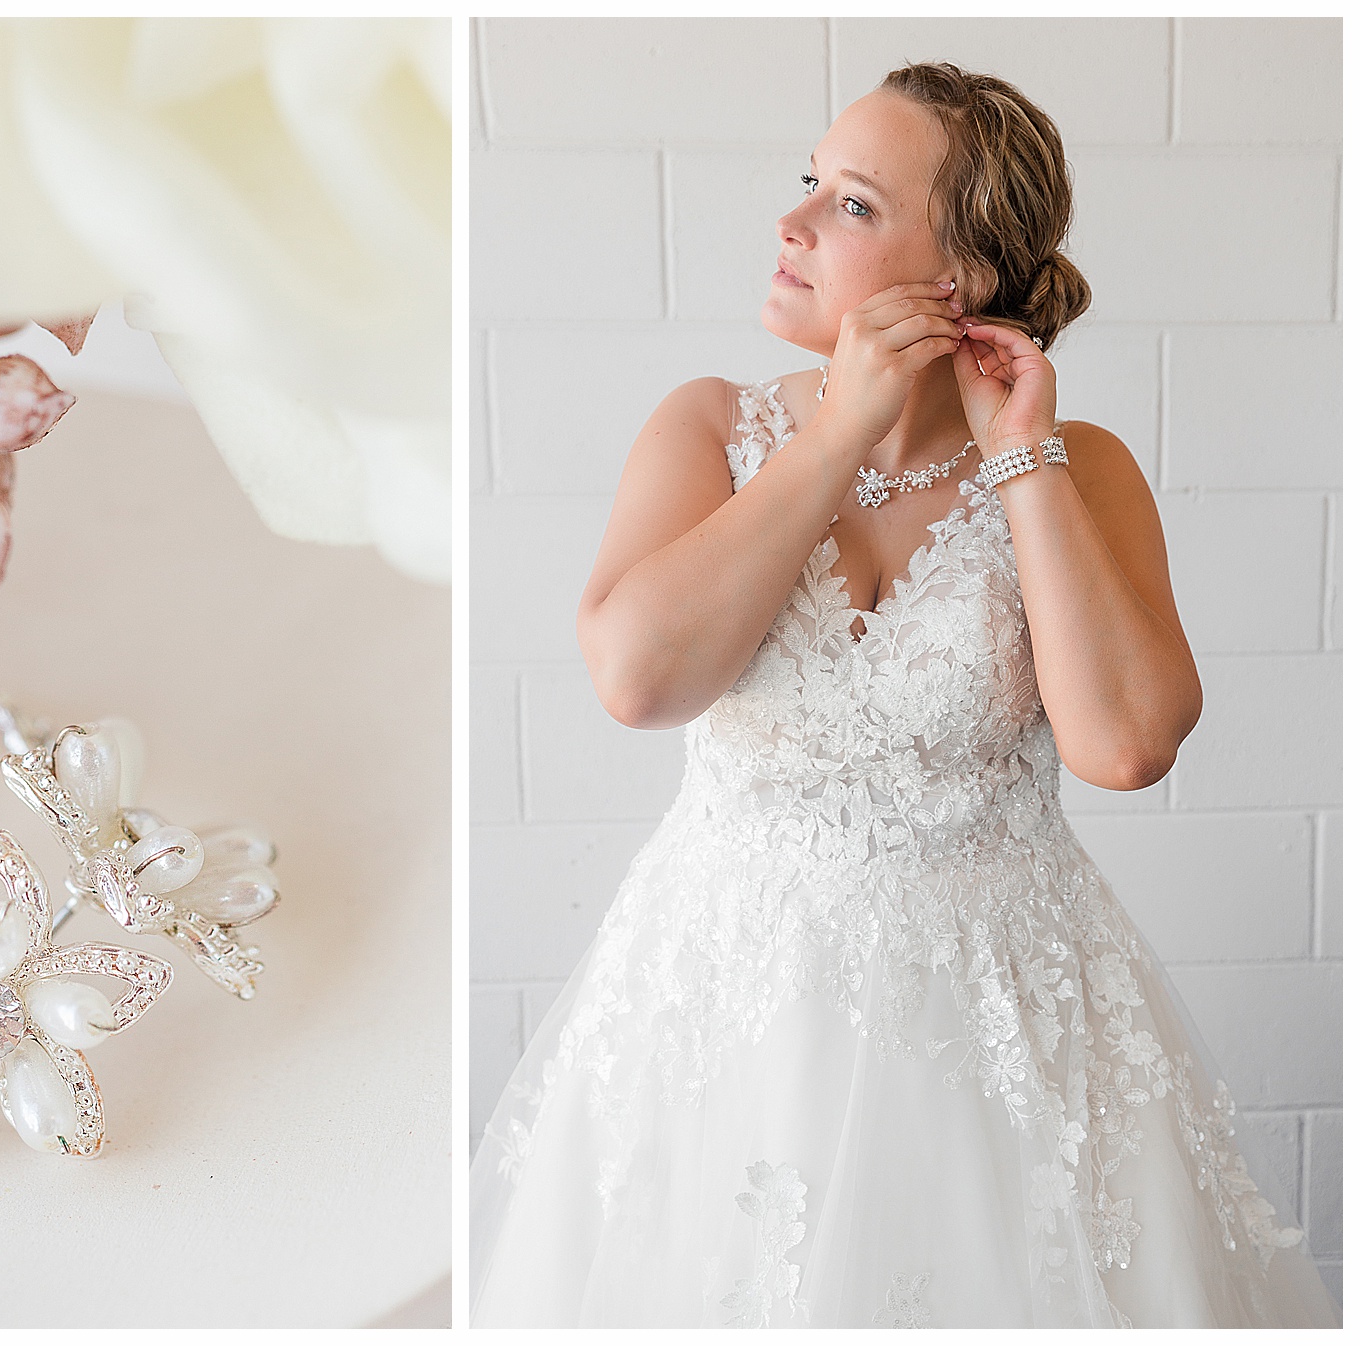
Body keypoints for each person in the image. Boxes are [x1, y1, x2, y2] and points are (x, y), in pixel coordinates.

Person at [470, 62, 1338, 1328]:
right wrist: (832, 438)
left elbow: (1129, 741)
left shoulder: (1078, 465)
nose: (796, 221)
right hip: (728, 1018)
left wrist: (1022, 455)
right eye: (808, 183)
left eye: (855, 203)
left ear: (963, 277)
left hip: (999, 1030)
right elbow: (640, 677)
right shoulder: (710, 429)